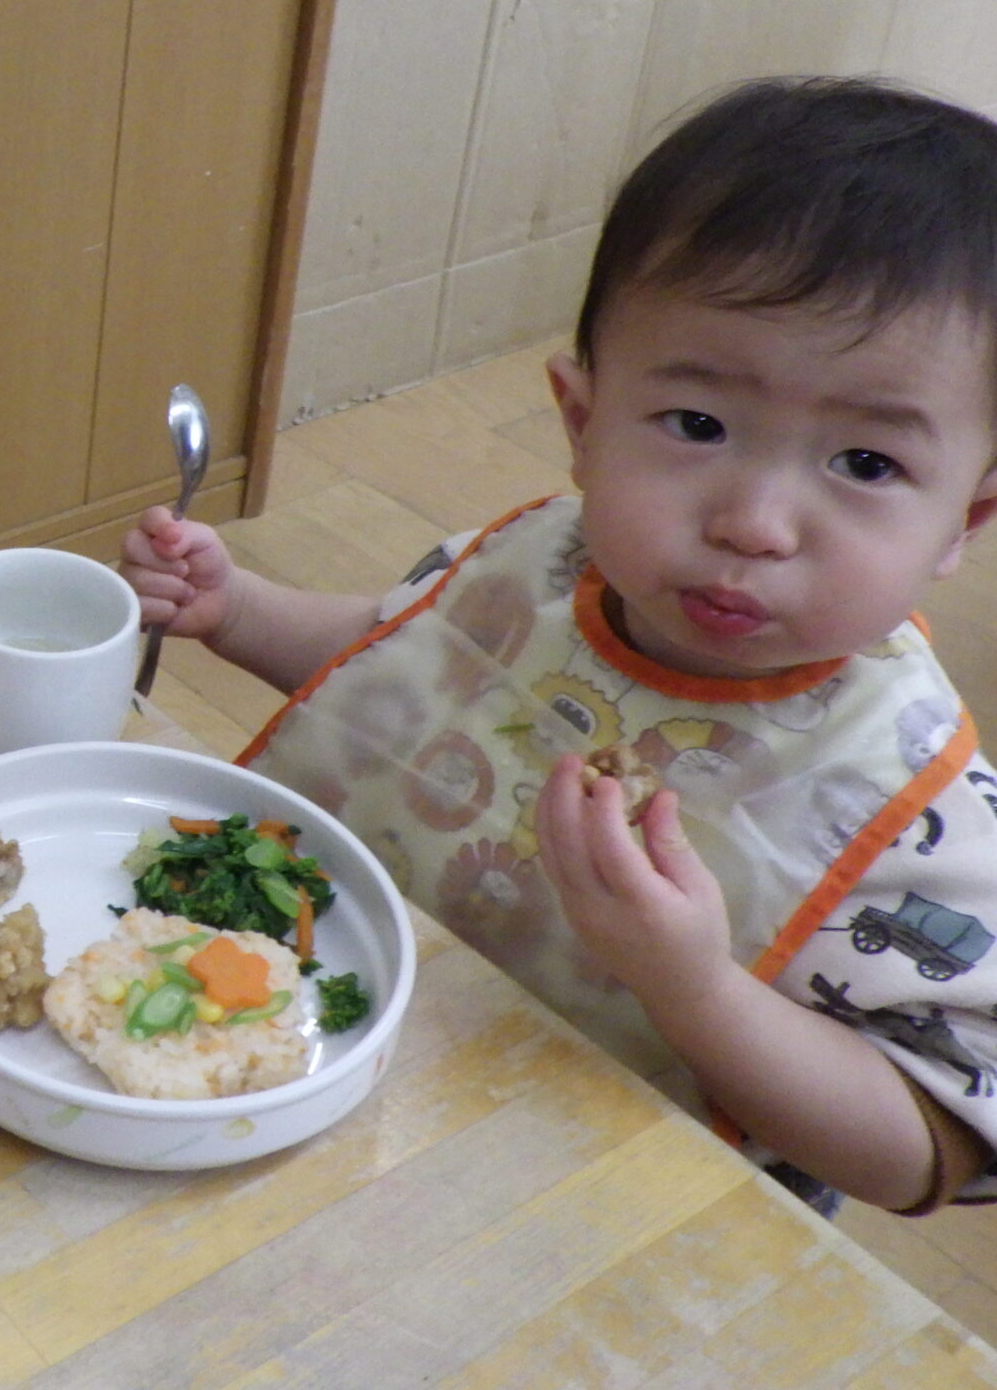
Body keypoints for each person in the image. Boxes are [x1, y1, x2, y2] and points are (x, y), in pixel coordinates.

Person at [124, 77, 997, 1214]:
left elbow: (925, 1150)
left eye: (867, 464)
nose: (756, 523)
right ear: (582, 425)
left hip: (585, 1207)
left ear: (965, 520)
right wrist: (237, 611)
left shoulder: (915, 799)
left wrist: (693, 988)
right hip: (319, 1053)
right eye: (697, 424)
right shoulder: (545, 565)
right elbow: (397, 667)